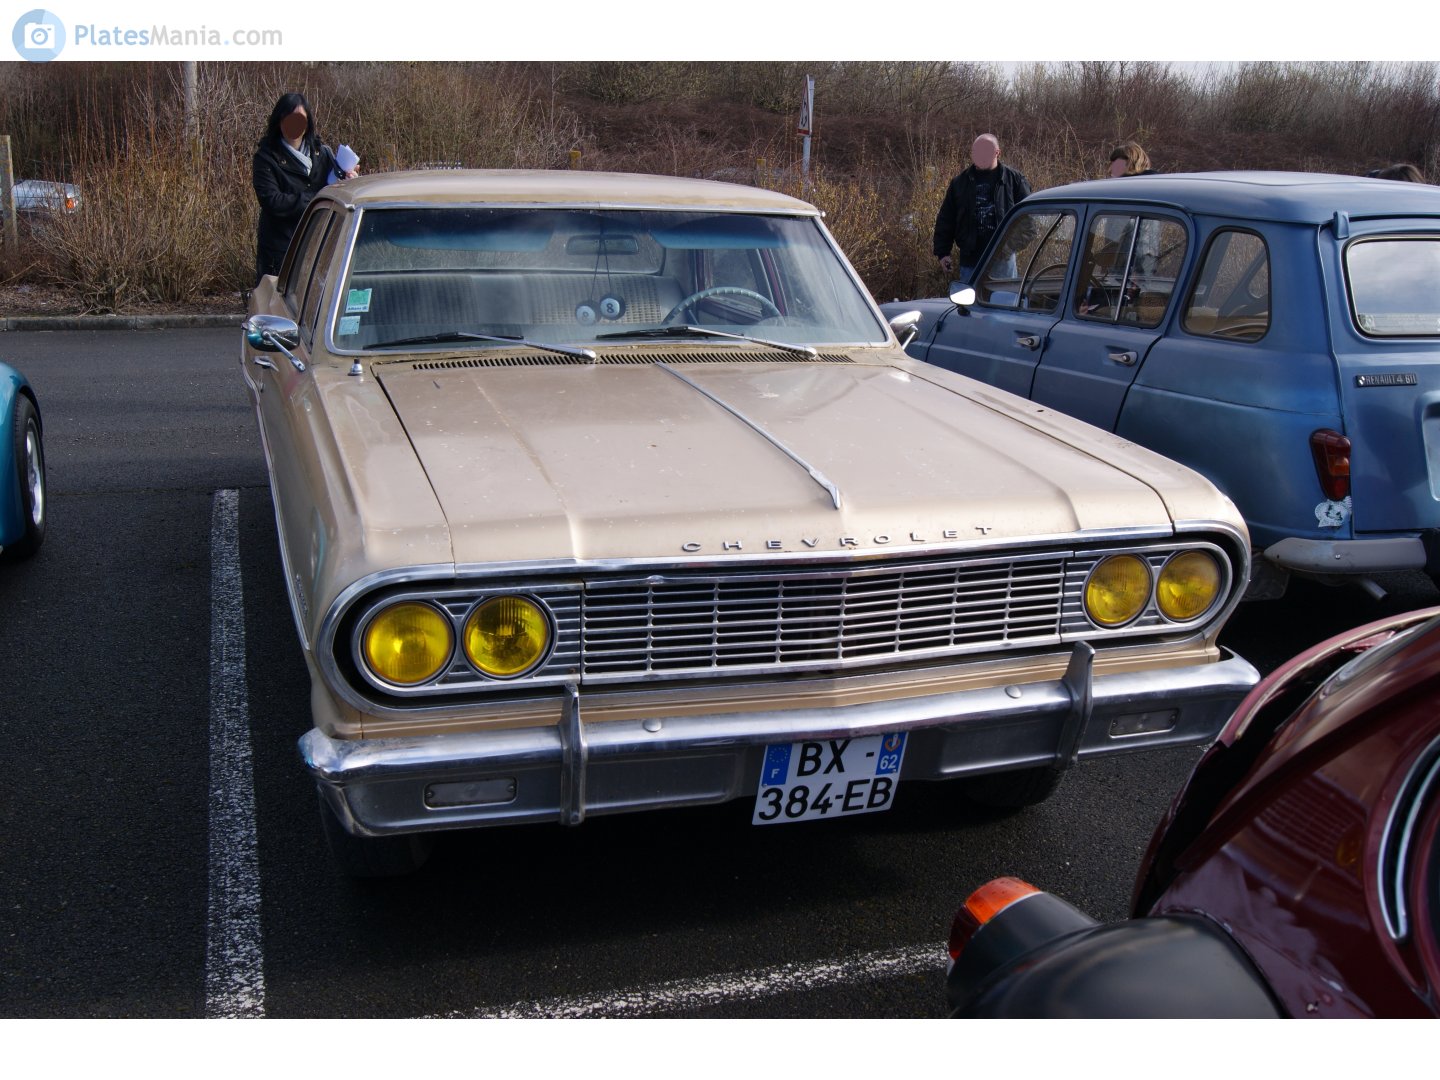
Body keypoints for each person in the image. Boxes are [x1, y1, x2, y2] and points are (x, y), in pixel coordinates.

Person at [251, 92, 358, 284]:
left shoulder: (321, 152)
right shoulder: (266, 158)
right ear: (279, 121)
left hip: (318, 244)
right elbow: (272, 201)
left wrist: (349, 180)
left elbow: (336, 188)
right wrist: (316, 198)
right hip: (282, 248)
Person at [932, 133, 1031, 283]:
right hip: (970, 261)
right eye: (976, 152)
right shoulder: (959, 183)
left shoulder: (1014, 181)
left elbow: (1028, 221)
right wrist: (943, 252)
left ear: (997, 153)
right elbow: (946, 219)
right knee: (970, 305)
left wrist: (1007, 248)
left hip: (1003, 262)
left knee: (1003, 304)